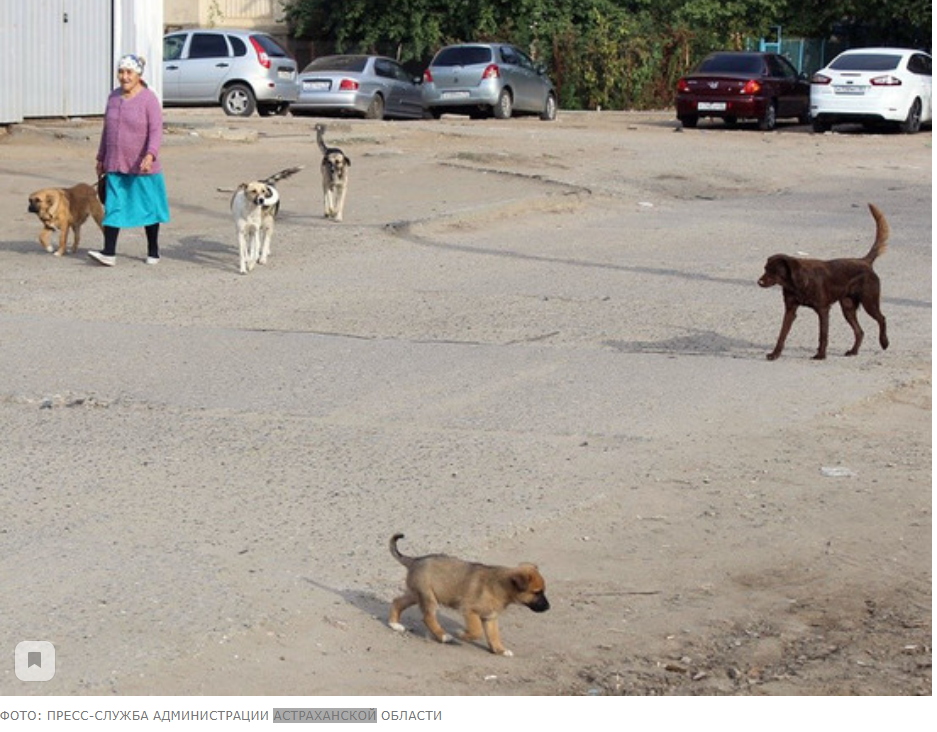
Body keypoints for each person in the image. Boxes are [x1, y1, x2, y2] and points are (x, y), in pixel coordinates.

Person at [89, 54, 169, 266]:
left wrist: (150, 154)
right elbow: (107, 130)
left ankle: (153, 251)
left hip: (142, 165)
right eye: (121, 72)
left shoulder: (149, 99)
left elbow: (156, 130)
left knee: (148, 207)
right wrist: (101, 157)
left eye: (129, 72)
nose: (124, 77)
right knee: (113, 206)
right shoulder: (113, 97)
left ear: (138, 75)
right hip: (116, 161)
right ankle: (108, 252)